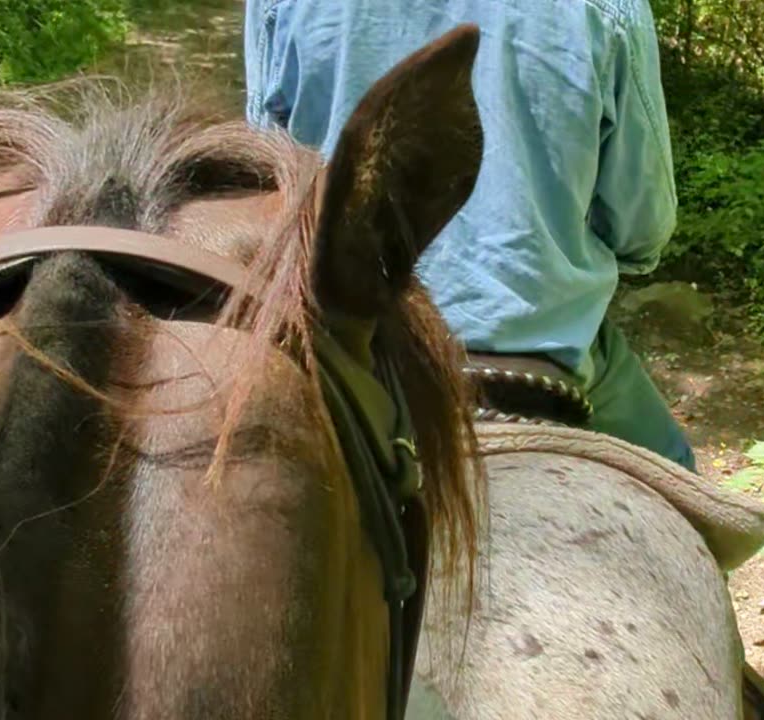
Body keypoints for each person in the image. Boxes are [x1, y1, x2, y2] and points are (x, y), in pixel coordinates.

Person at [242, 0, 697, 472]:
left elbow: (267, 184)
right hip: (538, 357)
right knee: (678, 472)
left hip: (349, 348)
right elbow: (643, 229)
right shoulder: (610, 8)